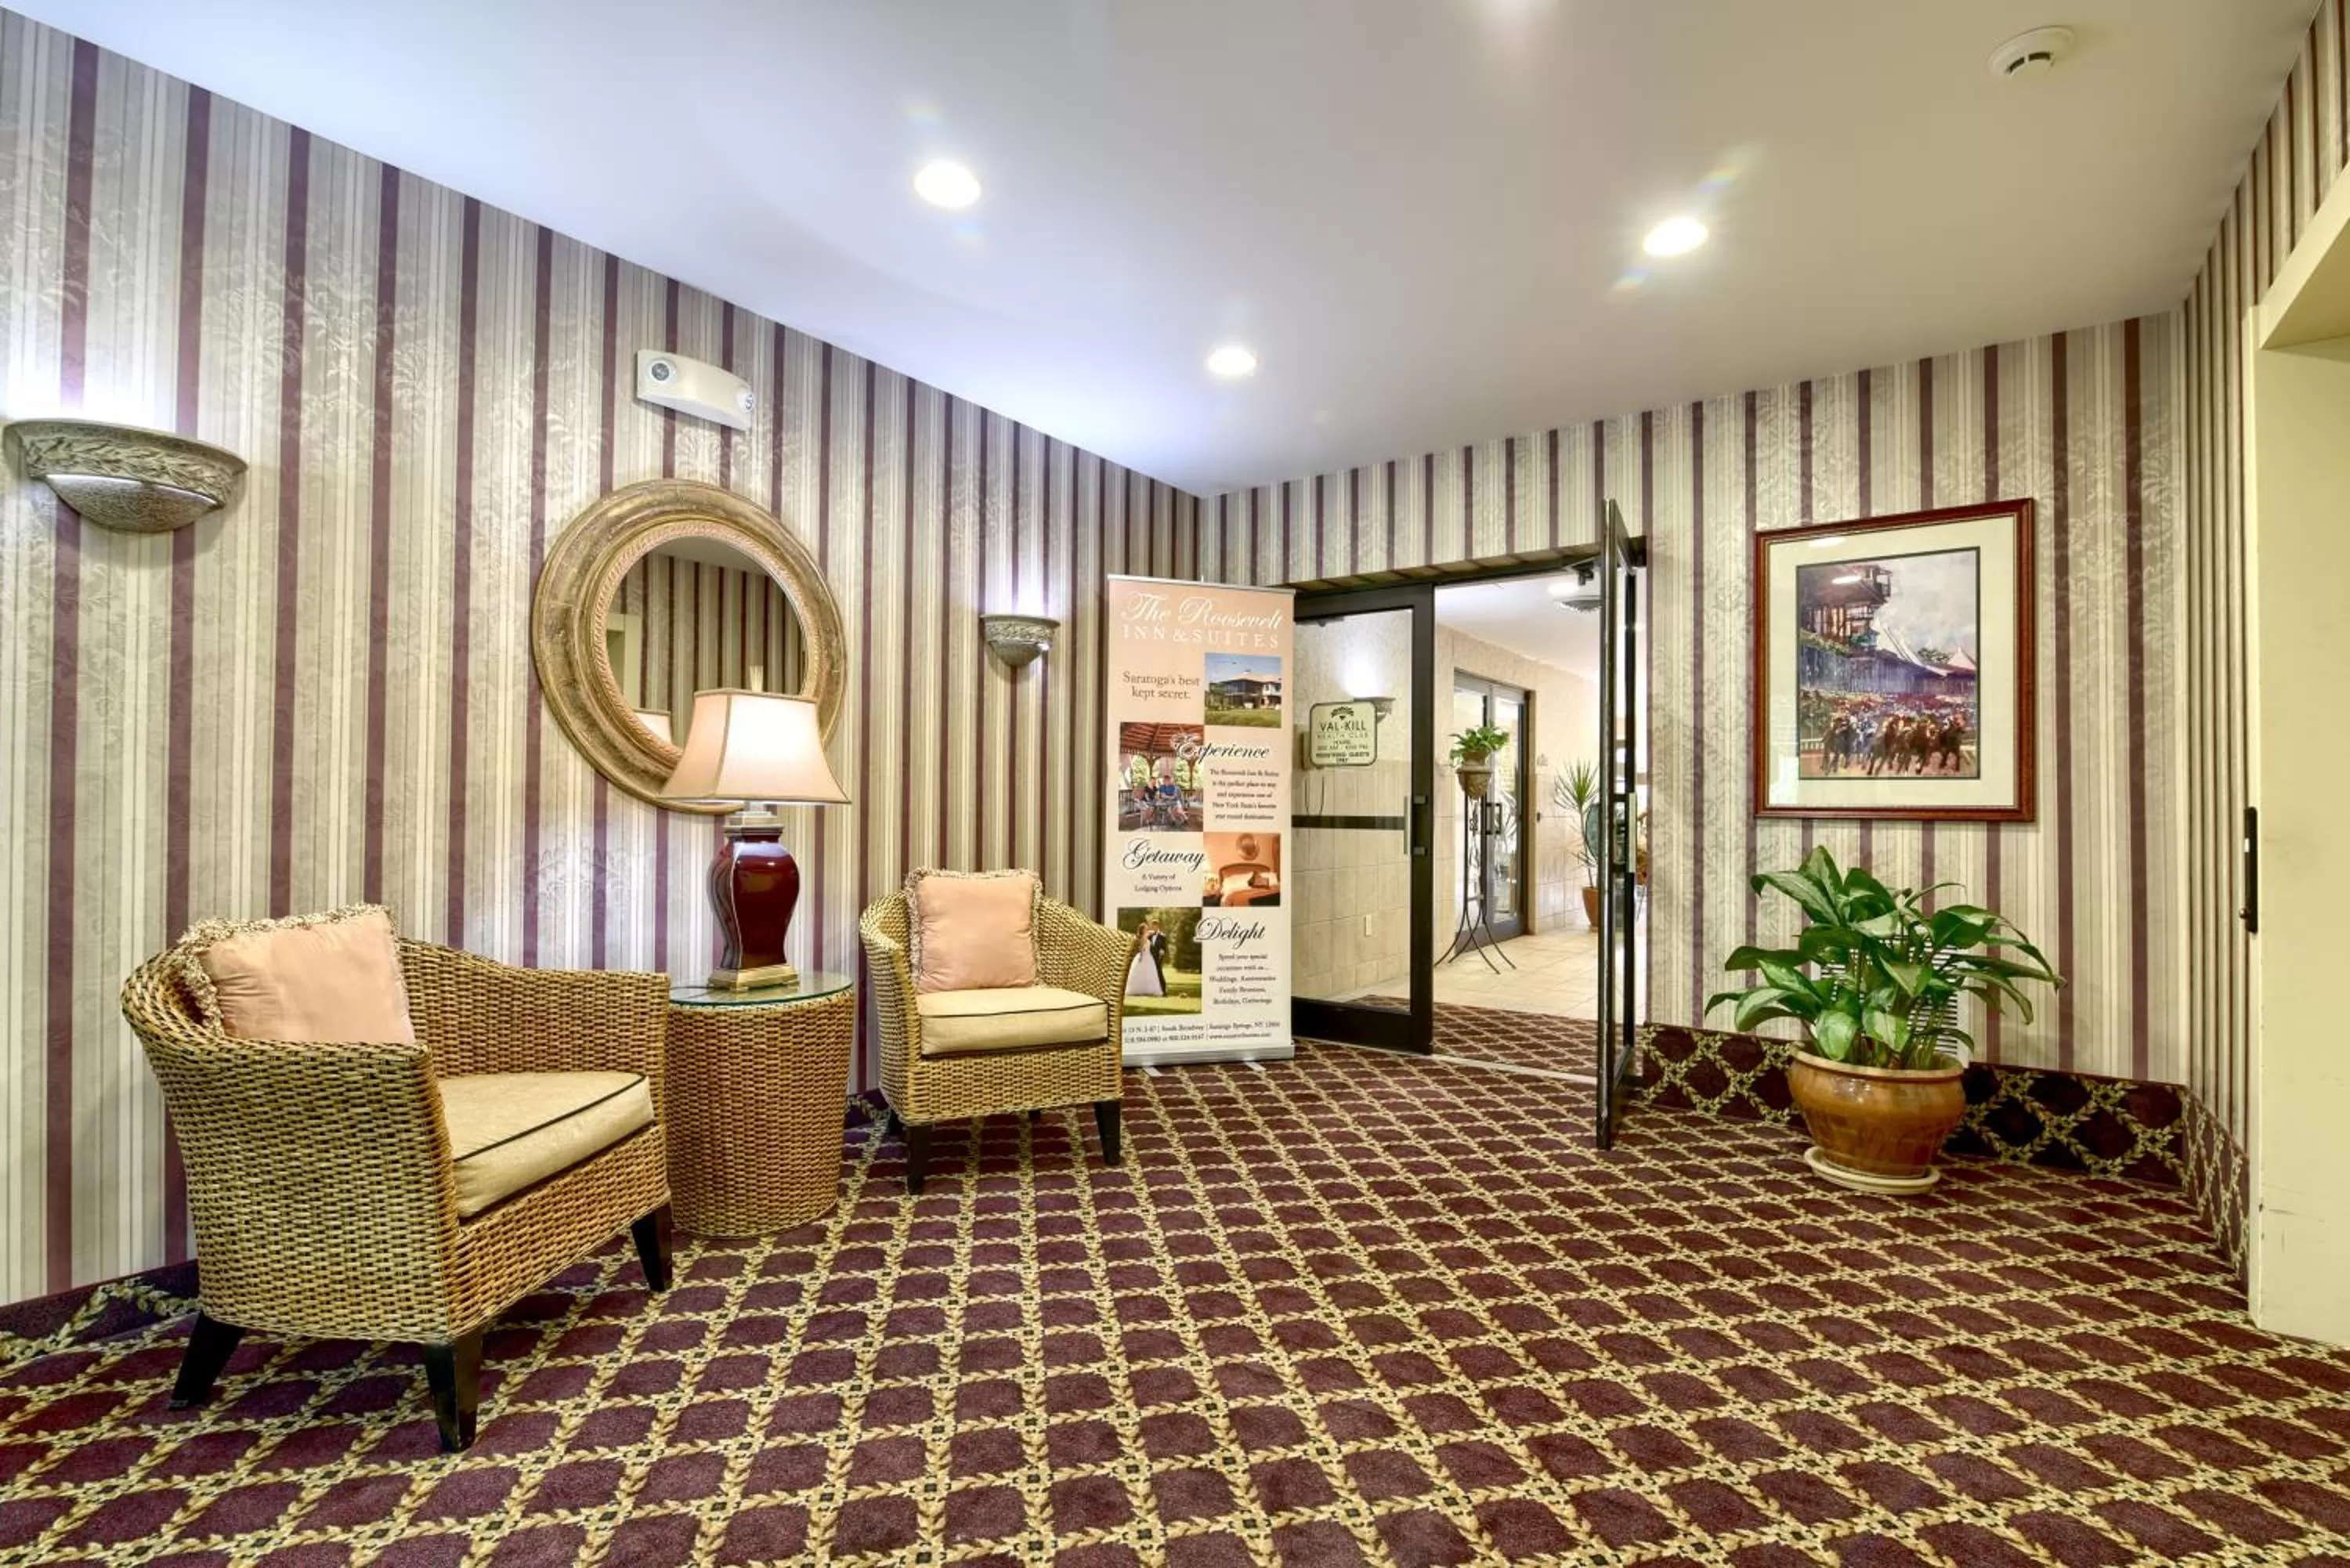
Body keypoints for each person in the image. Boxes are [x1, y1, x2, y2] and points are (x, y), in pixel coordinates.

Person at [1127, 919, 1167, 995]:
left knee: (1159, 973)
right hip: (1149, 956)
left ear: (1157, 926)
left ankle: (1164, 991)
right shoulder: (1149, 935)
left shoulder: (1162, 936)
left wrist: (1162, 951)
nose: (1152, 927)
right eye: (1152, 926)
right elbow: (1142, 942)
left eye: (1154, 925)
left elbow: (1164, 947)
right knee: (1150, 973)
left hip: (1157, 957)